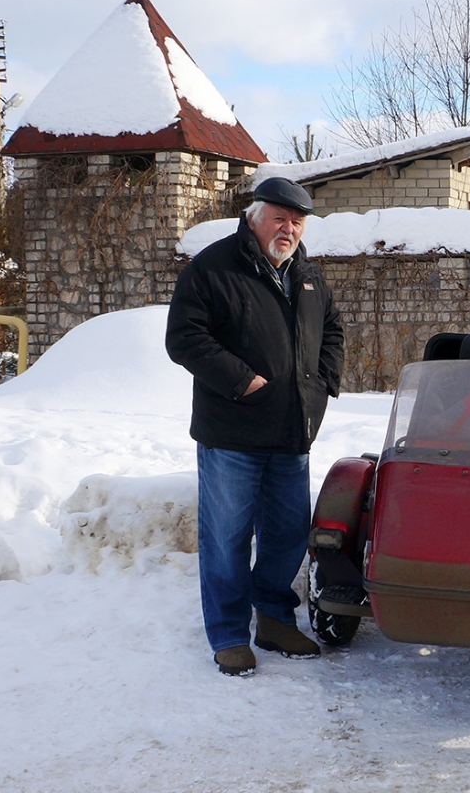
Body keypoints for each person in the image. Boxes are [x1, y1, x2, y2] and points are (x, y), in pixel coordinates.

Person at [166, 176, 345, 677]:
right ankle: (228, 634)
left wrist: (321, 383)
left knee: (287, 535)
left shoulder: (307, 275)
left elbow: (332, 330)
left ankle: (274, 620)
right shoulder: (213, 267)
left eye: (297, 222)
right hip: (232, 433)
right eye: (279, 218)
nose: (288, 229)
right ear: (254, 217)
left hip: (291, 432)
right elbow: (184, 338)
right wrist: (242, 381)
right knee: (226, 538)